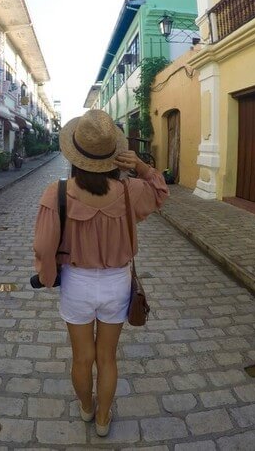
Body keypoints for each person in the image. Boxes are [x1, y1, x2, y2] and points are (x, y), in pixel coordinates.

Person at [33, 110, 168, 437]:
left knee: (82, 357)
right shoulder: (130, 190)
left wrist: (47, 276)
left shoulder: (57, 192)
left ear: (75, 154)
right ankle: (104, 419)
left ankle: (86, 408)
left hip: (77, 284)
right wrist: (140, 165)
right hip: (117, 283)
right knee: (107, 357)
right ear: (114, 155)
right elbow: (160, 192)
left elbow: (44, 246)